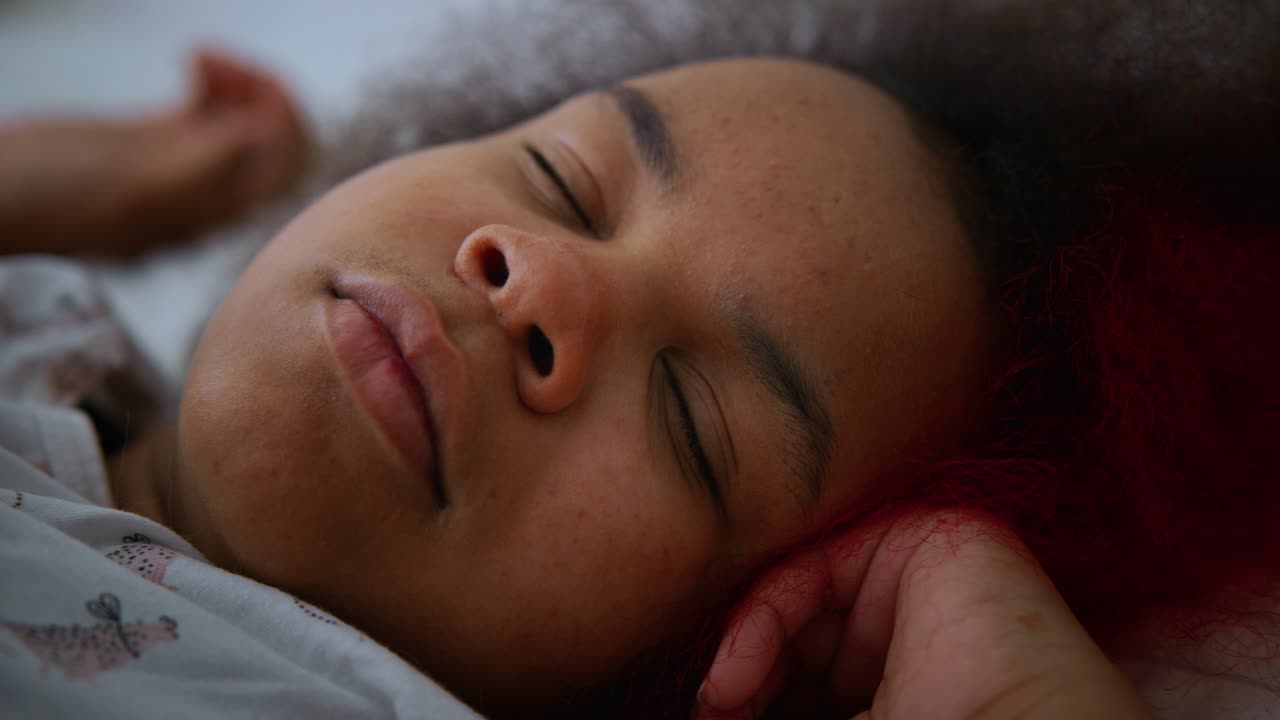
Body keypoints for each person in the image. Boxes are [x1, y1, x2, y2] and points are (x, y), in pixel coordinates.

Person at [1, 11, 1276, 719]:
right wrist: (98, 186)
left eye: (687, 419)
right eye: (558, 175)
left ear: (712, 663)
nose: (536, 278)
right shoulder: (40, 320)